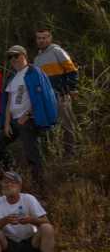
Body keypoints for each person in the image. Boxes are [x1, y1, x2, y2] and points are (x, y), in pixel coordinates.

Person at [0, 45, 58, 189]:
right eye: (10, 57)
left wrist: (28, 115)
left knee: (32, 154)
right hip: (13, 121)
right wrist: (6, 123)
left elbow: (40, 96)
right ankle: (11, 174)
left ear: (24, 55)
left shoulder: (33, 72)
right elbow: (9, 101)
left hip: (28, 120)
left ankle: (40, 186)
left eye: (16, 56)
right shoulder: (12, 77)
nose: (13, 59)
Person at [33, 28, 79, 156]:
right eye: (39, 38)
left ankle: (71, 153)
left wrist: (72, 88)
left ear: (50, 38)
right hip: (47, 98)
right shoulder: (37, 59)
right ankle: (57, 154)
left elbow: (72, 70)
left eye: (44, 38)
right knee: (53, 127)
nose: (41, 40)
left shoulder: (57, 51)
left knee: (66, 124)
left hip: (61, 94)